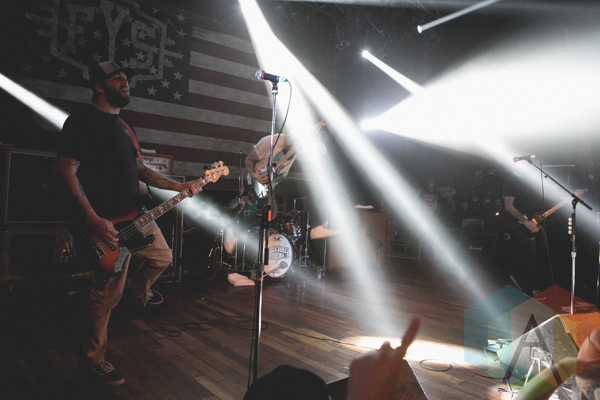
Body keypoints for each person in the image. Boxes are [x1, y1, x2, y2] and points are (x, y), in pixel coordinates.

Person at [57, 61, 203, 386]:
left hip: (137, 217)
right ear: (99, 86)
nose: (125, 82)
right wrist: (93, 219)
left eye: (126, 78)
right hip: (106, 225)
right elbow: (67, 170)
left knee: (163, 257)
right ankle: (93, 360)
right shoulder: (80, 122)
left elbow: (140, 170)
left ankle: (140, 292)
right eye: (117, 78)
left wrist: (178, 186)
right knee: (106, 295)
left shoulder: (126, 126)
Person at [502, 171, 550, 296]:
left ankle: (535, 286)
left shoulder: (530, 178)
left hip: (533, 221)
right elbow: (508, 205)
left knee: (540, 252)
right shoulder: (511, 181)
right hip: (519, 223)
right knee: (529, 254)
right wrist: (525, 221)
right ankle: (528, 289)